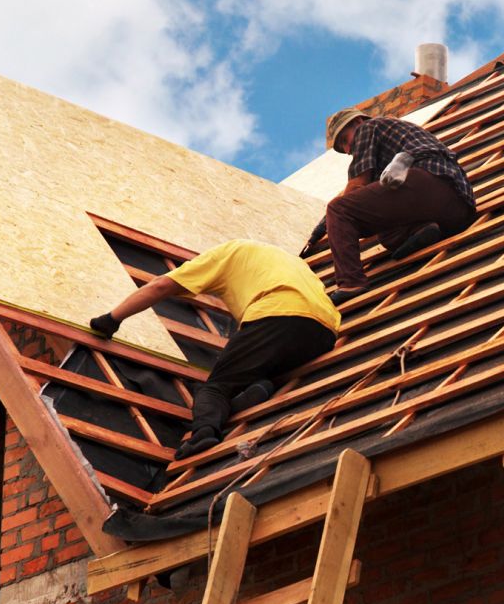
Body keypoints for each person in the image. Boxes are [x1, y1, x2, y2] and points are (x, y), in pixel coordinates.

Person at [89, 239, 340, 460]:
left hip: (278, 313)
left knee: (214, 388)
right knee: (255, 370)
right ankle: (258, 389)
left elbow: (160, 286)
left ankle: (203, 433)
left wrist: (111, 319)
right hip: (325, 331)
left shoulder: (224, 254)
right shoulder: (283, 261)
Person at [314, 108, 476, 304]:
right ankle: (422, 229)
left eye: (345, 141)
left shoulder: (368, 127)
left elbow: (358, 184)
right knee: (386, 234)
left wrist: (330, 221)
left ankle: (350, 282)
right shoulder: (392, 134)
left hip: (426, 182)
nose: (348, 150)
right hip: (459, 210)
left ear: (357, 122)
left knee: (338, 209)